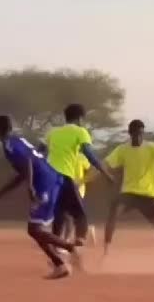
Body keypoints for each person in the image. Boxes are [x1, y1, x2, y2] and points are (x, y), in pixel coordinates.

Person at [0, 115, 77, 280]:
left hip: (44, 183)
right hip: (51, 178)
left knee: (35, 230)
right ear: (11, 128)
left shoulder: (9, 145)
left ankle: (70, 249)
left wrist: (30, 186)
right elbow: (24, 171)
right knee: (34, 230)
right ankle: (60, 264)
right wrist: (4, 191)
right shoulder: (19, 140)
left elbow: (27, 163)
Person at [44, 103, 114, 245]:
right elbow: (89, 154)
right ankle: (79, 240)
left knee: (59, 214)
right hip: (64, 177)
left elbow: (40, 152)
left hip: (49, 178)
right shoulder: (80, 131)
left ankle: (57, 247)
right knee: (80, 215)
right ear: (80, 118)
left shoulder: (52, 132)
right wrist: (106, 174)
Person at [103, 120, 154, 255]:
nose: (139, 137)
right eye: (136, 134)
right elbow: (107, 162)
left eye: (141, 134)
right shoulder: (123, 149)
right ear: (130, 134)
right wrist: (101, 171)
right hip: (128, 193)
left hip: (148, 194)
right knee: (113, 213)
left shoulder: (153, 148)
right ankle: (106, 250)